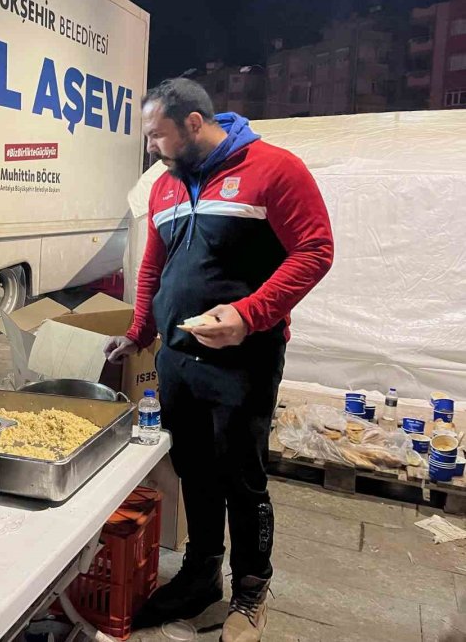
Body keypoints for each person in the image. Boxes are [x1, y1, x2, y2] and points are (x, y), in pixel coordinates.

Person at [105, 79, 333, 641]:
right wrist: (139, 332)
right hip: (179, 357)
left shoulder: (274, 169)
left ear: (193, 124)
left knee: (242, 478)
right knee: (194, 472)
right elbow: (153, 269)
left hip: (246, 360)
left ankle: (250, 594)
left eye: (157, 135)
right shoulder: (163, 186)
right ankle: (201, 574)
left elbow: (316, 249)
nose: (152, 147)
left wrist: (250, 314)